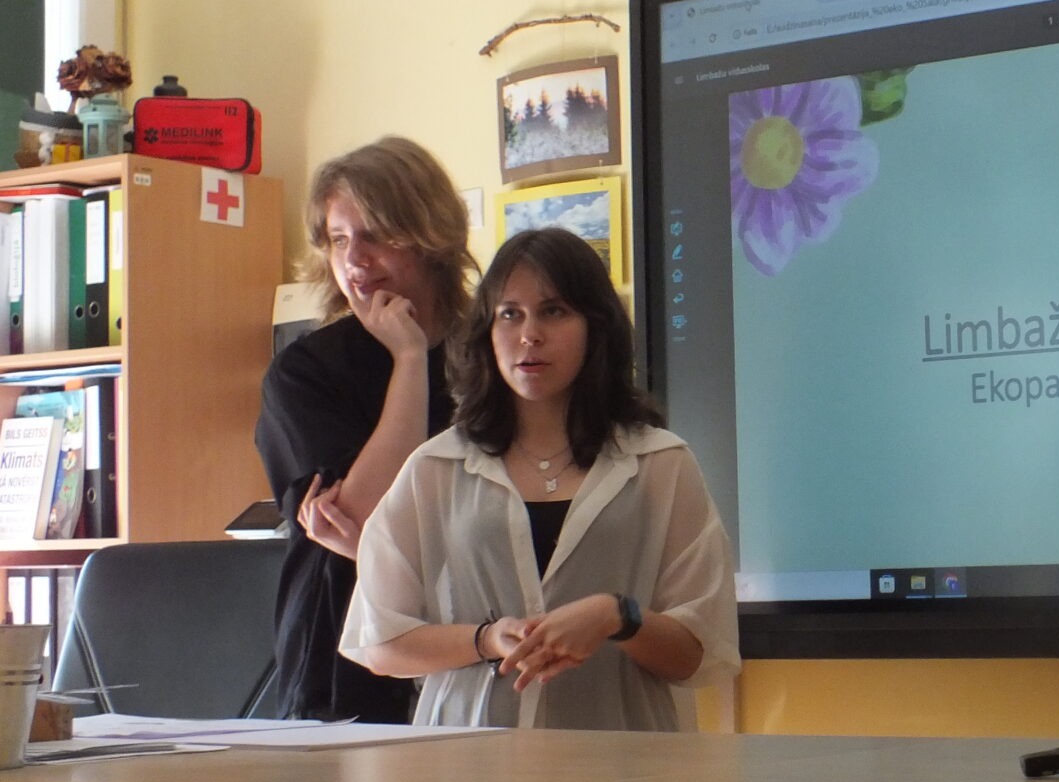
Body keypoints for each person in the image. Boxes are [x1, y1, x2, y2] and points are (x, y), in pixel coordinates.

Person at [338, 227, 738, 728]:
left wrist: (617, 616)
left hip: (623, 754)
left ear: (596, 327)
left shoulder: (660, 462)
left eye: (553, 311)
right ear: (487, 330)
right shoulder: (436, 466)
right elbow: (379, 641)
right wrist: (486, 638)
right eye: (510, 314)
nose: (529, 335)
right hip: (467, 756)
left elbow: (700, 655)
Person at [256, 136, 474, 722]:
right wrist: (409, 361)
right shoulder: (304, 373)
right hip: (343, 671)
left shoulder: (495, 353)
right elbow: (361, 518)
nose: (355, 259)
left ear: (430, 237)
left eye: (376, 235)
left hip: (480, 650)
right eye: (338, 239)